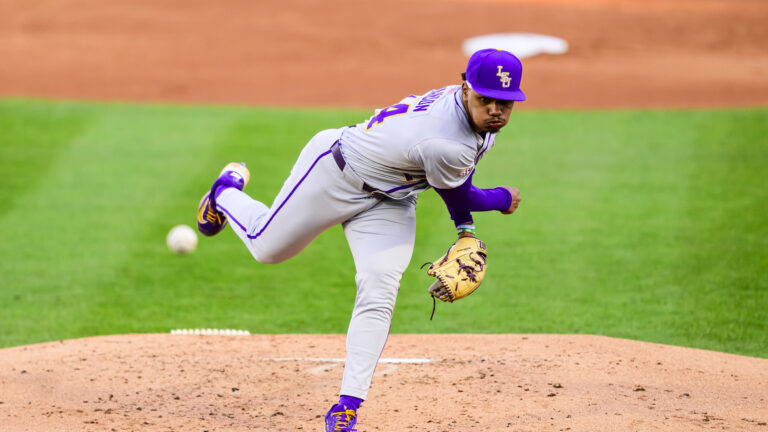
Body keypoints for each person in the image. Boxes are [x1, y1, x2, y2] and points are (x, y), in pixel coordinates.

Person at [196, 48, 525, 432]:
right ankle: (224, 193)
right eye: (486, 100)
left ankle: (346, 407)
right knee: (266, 248)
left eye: (505, 103)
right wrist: (504, 198)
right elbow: (461, 195)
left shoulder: (471, 118)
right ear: (466, 88)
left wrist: (465, 230)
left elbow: (455, 185)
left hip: (391, 202)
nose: (496, 111)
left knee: (380, 288)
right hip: (334, 174)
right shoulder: (445, 138)